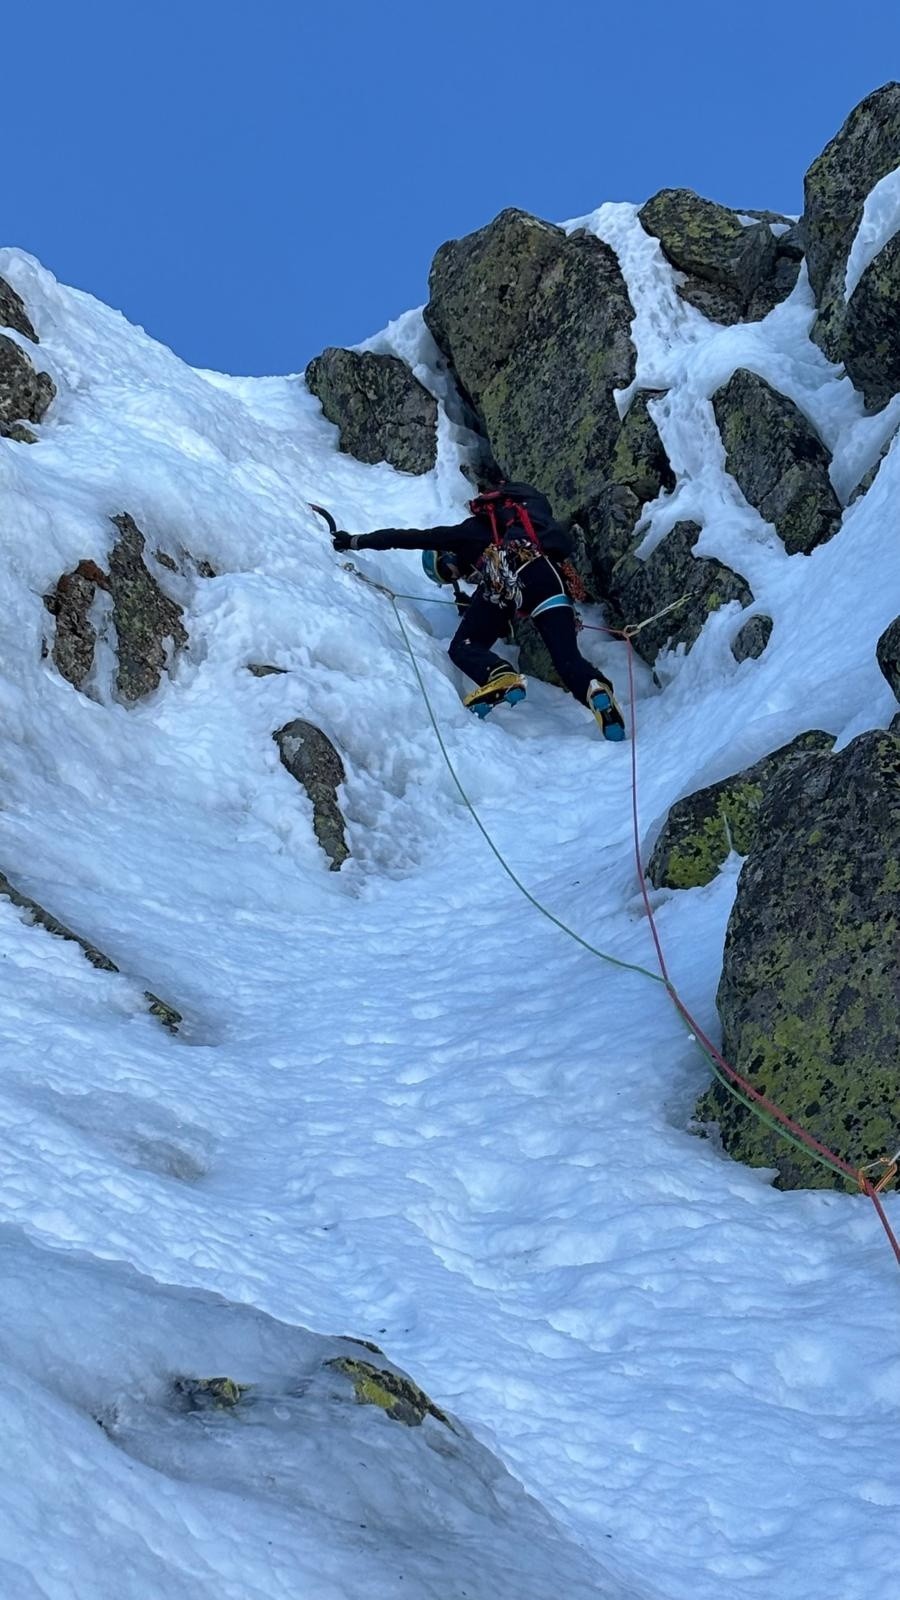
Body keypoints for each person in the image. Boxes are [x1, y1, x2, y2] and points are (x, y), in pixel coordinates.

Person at [331, 480, 626, 740]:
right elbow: (499, 623)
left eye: (448, 571)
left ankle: (499, 676)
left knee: (463, 645)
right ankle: (596, 690)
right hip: (549, 576)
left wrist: (355, 541)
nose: (457, 574)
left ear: (445, 555)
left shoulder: (466, 533)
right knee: (568, 659)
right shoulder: (517, 528)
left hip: (510, 574)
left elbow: (406, 537)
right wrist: (472, 608)